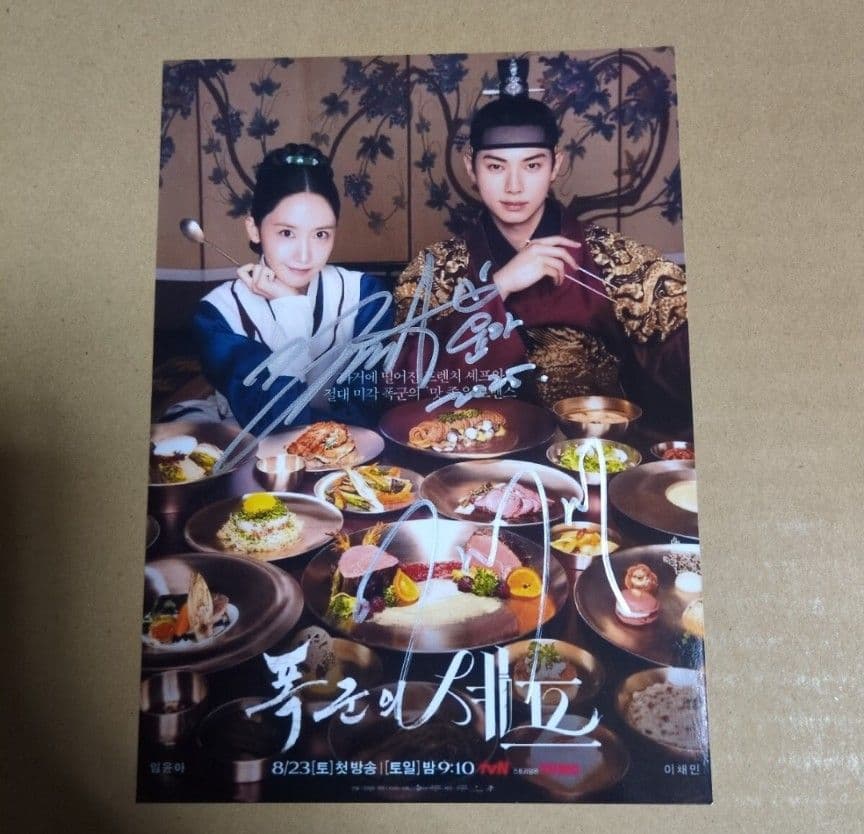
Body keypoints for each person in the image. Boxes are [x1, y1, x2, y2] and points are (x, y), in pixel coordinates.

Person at [391, 59, 690, 425]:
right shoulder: (435, 270)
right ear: (471, 167)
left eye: (532, 166)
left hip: (592, 448)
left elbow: (686, 369)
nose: (514, 186)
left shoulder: (615, 260)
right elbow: (402, 385)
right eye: (496, 166)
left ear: (555, 165)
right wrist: (498, 286)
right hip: (476, 449)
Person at [186, 144, 393, 432]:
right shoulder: (219, 313)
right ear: (254, 229)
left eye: (321, 234)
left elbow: (364, 414)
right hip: (246, 451)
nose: (304, 256)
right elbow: (275, 422)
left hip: (348, 451)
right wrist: (292, 309)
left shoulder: (366, 296)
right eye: (286, 232)